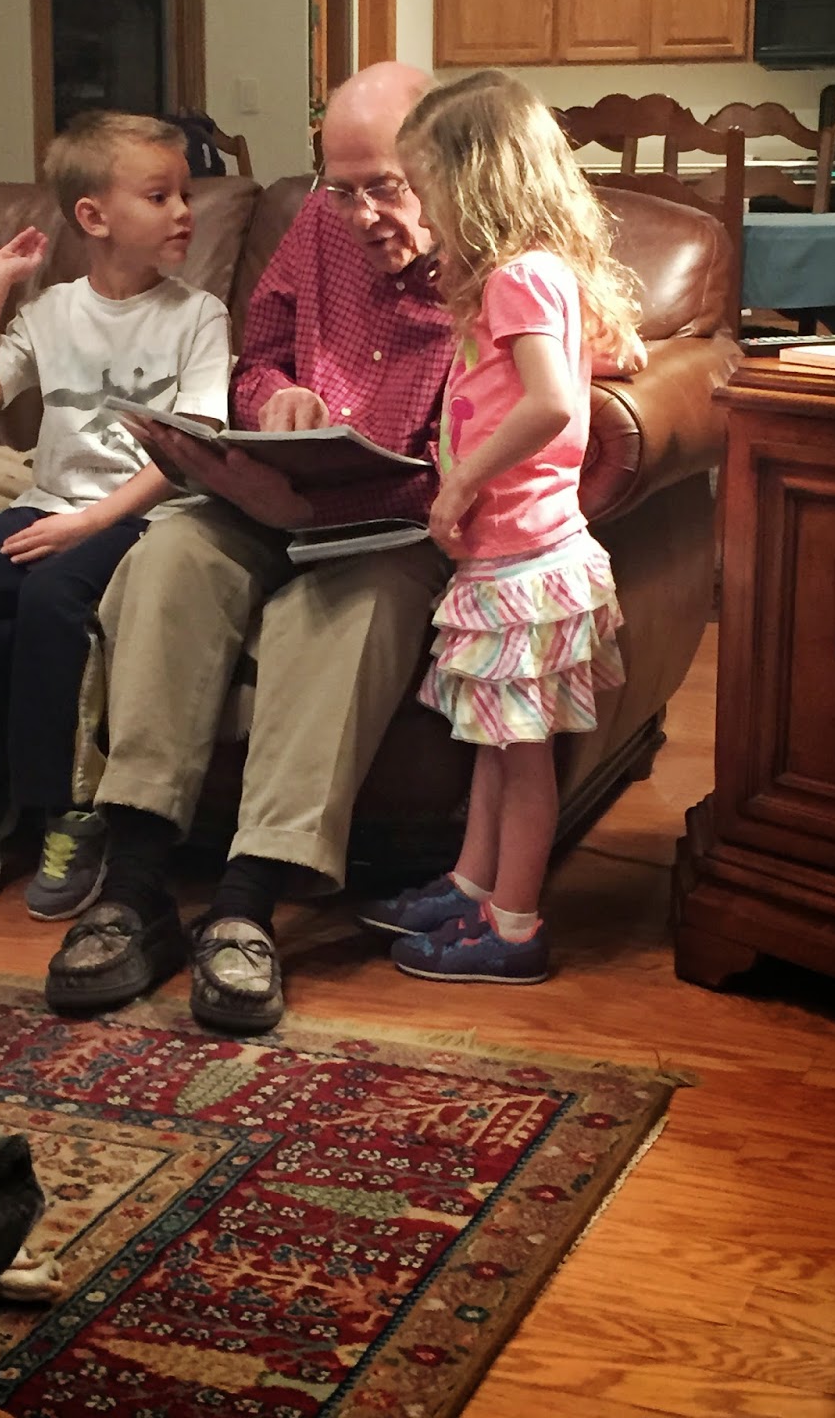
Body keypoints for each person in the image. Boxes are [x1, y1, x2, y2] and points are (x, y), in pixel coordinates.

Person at [43, 61, 454, 1032]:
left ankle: (245, 903)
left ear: (443, 160)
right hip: (265, 495)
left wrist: (316, 506)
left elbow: (478, 462)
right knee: (170, 554)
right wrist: (274, 402)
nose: (358, 215)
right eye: (339, 188)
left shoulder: (499, 268)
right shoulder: (320, 225)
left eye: (383, 188)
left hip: (394, 525)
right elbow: (259, 358)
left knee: (350, 610)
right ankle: (136, 886)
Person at [357, 69, 640, 984]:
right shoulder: (541, 272)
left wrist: (460, 486)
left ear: (472, 180)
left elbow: (550, 403)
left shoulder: (518, 278)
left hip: (521, 560)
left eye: (425, 185)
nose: (423, 208)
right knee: (496, 741)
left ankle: (513, 929)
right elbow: (579, 363)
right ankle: (473, 886)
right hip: (518, 556)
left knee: (522, 761)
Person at [0, 111, 231, 919]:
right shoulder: (54, 310)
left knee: (54, 601)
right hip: (49, 504)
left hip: (144, 515)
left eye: (186, 195)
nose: (184, 212)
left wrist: (88, 527)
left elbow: (189, 451)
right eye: (159, 196)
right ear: (94, 217)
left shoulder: (199, 316)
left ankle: (68, 811)